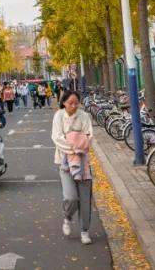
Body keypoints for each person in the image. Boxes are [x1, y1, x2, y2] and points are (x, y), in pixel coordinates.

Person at [53, 90, 94, 245]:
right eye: (71, 103)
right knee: (70, 197)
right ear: (64, 102)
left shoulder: (84, 116)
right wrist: (73, 146)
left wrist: (77, 143)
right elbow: (56, 137)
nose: (74, 106)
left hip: (83, 162)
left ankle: (84, 231)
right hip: (64, 161)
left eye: (76, 103)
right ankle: (68, 217)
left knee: (84, 199)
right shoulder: (59, 116)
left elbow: (89, 136)